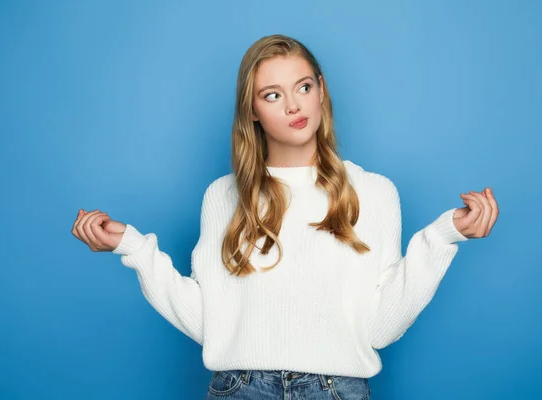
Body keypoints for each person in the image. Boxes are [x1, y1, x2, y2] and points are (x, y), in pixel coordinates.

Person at [72, 34, 499, 399]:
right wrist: (132, 247)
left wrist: (442, 237)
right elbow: (212, 322)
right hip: (239, 388)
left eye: (304, 87)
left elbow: (380, 328)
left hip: (338, 390)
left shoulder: (374, 192)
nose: (294, 105)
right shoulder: (222, 196)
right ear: (253, 110)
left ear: (322, 89)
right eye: (272, 94)